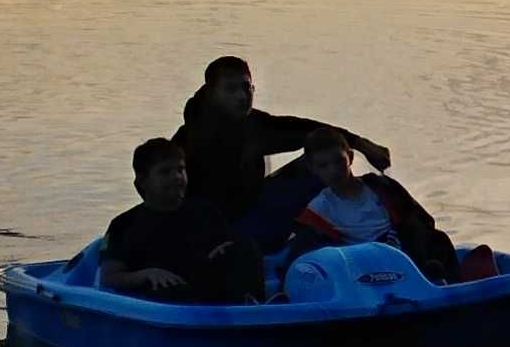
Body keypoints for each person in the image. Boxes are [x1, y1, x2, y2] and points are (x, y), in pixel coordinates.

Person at [234, 131, 481, 286]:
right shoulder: (318, 209)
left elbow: (420, 220)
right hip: (354, 267)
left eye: (338, 161)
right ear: (312, 169)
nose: (333, 170)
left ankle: (448, 285)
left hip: (401, 256)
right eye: (323, 166)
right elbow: (303, 250)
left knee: (432, 236)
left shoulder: (381, 189)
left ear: (350, 158)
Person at [171, 55, 391, 228]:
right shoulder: (189, 138)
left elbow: (309, 130)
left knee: (320, 159)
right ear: (211, 94)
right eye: (230, 89)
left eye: (246, 87)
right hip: (216, 227)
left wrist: (361, 144)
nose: (241, 96)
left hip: (255, 210)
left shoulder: (256, 125)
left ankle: (361, 226)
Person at [99, 136, 257, 301]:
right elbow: (110, 277)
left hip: (211, 289)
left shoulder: (206, 212)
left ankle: (258, 310)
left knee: (246, 247)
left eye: (180, 170)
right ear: (143, 181)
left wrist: (225, 252)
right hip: (164, 298)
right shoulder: (123, 224)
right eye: (165, 172)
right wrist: (147, 274)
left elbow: (226, 246)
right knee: (168, 288)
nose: (177, 177)